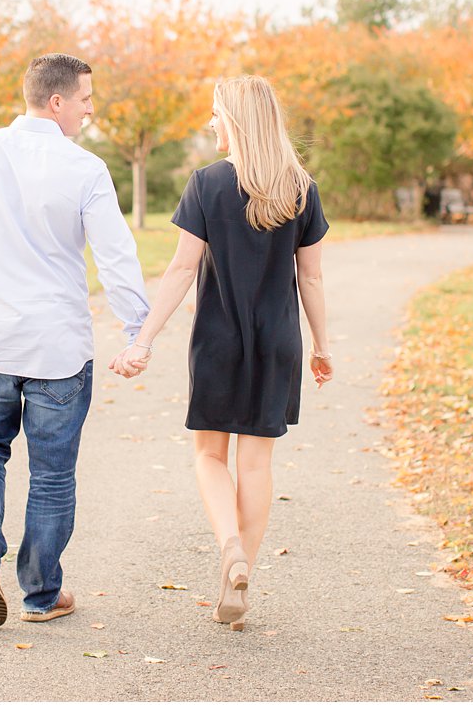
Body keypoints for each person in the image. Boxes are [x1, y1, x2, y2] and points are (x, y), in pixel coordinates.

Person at [0, 53, 150, 629]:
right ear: (56, 102)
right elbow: (115, 255)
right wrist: (136, 329)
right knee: (52, 472)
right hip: (58, 346)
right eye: (84, 99)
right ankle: (40, 595)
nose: (90, 109)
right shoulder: (84, 169)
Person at [111, 75, 331, 632]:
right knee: (256, 463)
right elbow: (312, 279)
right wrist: (322, 346)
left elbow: (183, 269)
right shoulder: (301, 188)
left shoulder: (207, 184)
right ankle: (240, 577)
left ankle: (229, 547)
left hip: (218, 340)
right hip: (278, 340)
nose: (211, 123)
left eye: (216, 113)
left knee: (210, 456)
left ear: (235, 119)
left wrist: (144, 339)